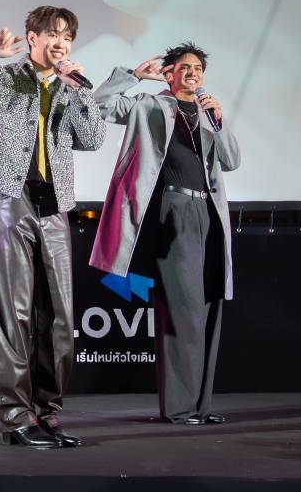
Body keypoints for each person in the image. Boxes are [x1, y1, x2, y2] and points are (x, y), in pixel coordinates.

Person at [0, 6, 105, 447]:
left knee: (59, 316)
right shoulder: (3, 78)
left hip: (55, 204)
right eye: (53, 34)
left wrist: (80, 90)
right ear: (33, 37)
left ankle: (48, 413)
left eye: (67, 36)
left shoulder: (69, 86)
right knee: (13, 312)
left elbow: (92, 139)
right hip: (10, 197)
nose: (61, 43)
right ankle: (16, 416)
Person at [91, 43, 240, 425]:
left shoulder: (207, 114)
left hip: (210, 214)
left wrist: (220, 122)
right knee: (182, 311)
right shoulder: (151, 105)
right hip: (173, 211)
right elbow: (101, 105)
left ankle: (200, 407)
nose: (193, 73)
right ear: (169, 73)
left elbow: (232, 160)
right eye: (185, 67)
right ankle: (178, 408)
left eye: (198, 68)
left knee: (207, 308)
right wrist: (132, 76)